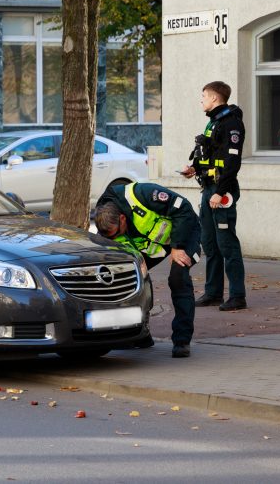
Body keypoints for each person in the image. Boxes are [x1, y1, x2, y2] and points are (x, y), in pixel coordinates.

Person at [95, 182, 200, 358]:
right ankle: (139, 335)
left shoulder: (141, 195)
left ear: (122, 219)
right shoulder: (104, 217)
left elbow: (183, 208)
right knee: (126, 280)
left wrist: (177, 246)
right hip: (151, 246)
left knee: (178, 277)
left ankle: (182, 340)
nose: (115, 238)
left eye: (115, 234)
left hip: (183, 232)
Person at [181, 81, 247, 311]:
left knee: (227, 244)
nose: (201, 100)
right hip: (208, 189)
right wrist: (194, 169)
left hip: (222, 191)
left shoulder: (232, 124)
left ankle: (238, 296)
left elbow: (232, 163)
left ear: (215, 99)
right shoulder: (213, 122)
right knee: (209, 243)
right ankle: (213, 293)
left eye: (204, 96)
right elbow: (211, 154)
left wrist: (220, 193)